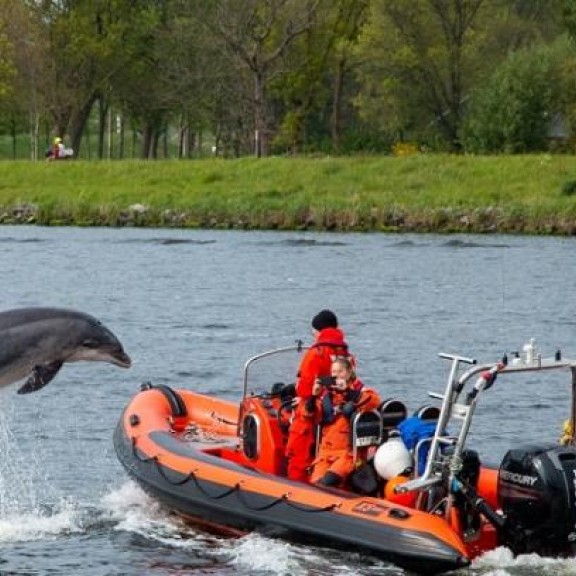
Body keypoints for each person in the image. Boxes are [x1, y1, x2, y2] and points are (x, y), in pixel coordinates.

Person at [285, 310, 350, 482]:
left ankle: (296, 484)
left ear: (319, 331)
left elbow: (305, 386)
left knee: (298, 446)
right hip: (338, 409)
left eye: (314, 331)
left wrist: (304, 396)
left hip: (315, 408)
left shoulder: (316, 352)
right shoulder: (345, 353)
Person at [308, 356, 381, 487]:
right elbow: (310, 413)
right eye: (333, 373)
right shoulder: (326, 396)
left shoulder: (360, 391)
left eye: (340, 371)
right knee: (315, 485)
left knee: (327, 482)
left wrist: (347, 391)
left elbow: (374, 401)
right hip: (325, 452)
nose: (336, 375)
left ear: (348, 372)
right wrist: (313, 396)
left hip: (348, 453)